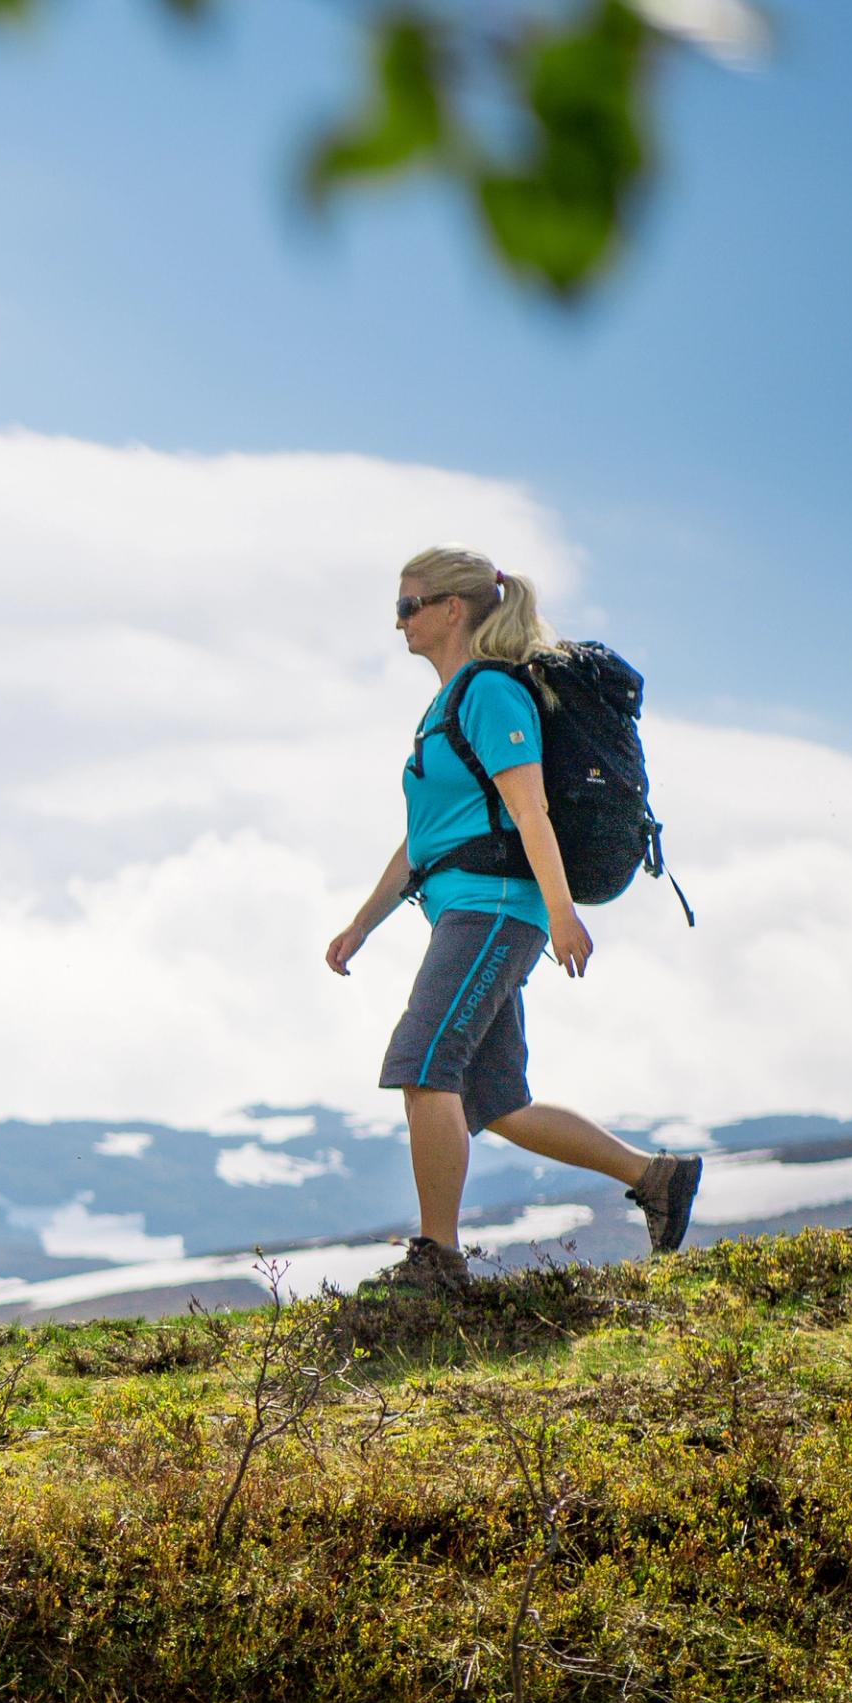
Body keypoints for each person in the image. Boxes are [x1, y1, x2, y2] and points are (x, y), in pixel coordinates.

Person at [324, 546, 701, 1294]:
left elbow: (531, 809)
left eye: (409, 605)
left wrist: (562, 914)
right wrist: (362, 924)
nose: (398, 621)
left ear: (451, 609)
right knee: (496, 1101)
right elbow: (426, 839)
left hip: (496, 910)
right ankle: (654, 1178)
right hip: (464, 909)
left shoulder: (493, 694)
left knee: (423, 1061)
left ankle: (438, 1258)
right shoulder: (448, 704)